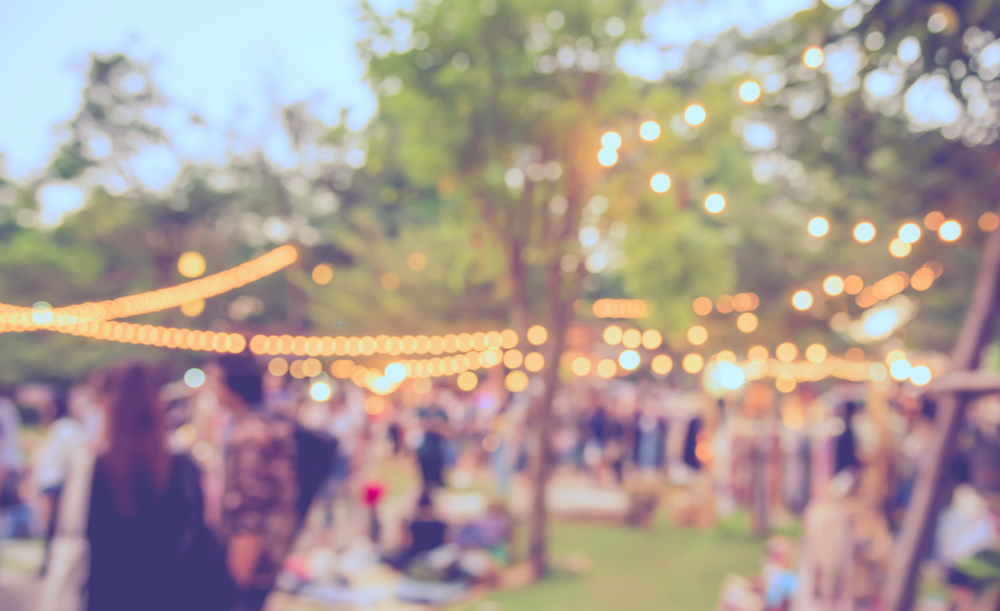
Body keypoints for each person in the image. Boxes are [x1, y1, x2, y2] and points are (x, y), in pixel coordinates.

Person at [83, 362, 230, 611]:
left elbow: (86, 544)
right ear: (158, 403)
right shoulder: (183, 467)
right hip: (170, 597)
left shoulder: (95, 469)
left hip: (110, 597)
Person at [214, 353, 299, 611]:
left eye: (215, 380)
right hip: (275, 549)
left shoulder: (249, 434)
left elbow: (249, 510)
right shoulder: (269, 422)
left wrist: (237, 583)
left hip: (255, 559)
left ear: (230, 386)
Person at [35, 388, 85, 575]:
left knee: (54, 527)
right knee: (51, 527)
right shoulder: (64, 427)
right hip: (53, 483)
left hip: (57, 484)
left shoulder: (66, 428)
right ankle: (48, 565)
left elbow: (66, 460)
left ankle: (51, 566)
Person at [386, 491, 447, 572]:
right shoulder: (440, 525)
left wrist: (402, 526)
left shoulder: (414, 525)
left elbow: (406, 545)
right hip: (435, 560)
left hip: (416, 561)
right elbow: (445, 544)